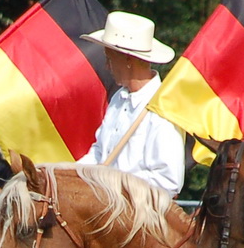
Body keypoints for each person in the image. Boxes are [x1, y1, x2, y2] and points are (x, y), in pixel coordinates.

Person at [77, 11, 184, 195]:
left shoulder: (162, 108)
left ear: (128, 60)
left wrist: (113, 182)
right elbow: (99, 153)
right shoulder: (119, 98)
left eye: (109, 59)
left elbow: (168, 181)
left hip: (140, 218)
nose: (107, 66)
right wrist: (63, 174)